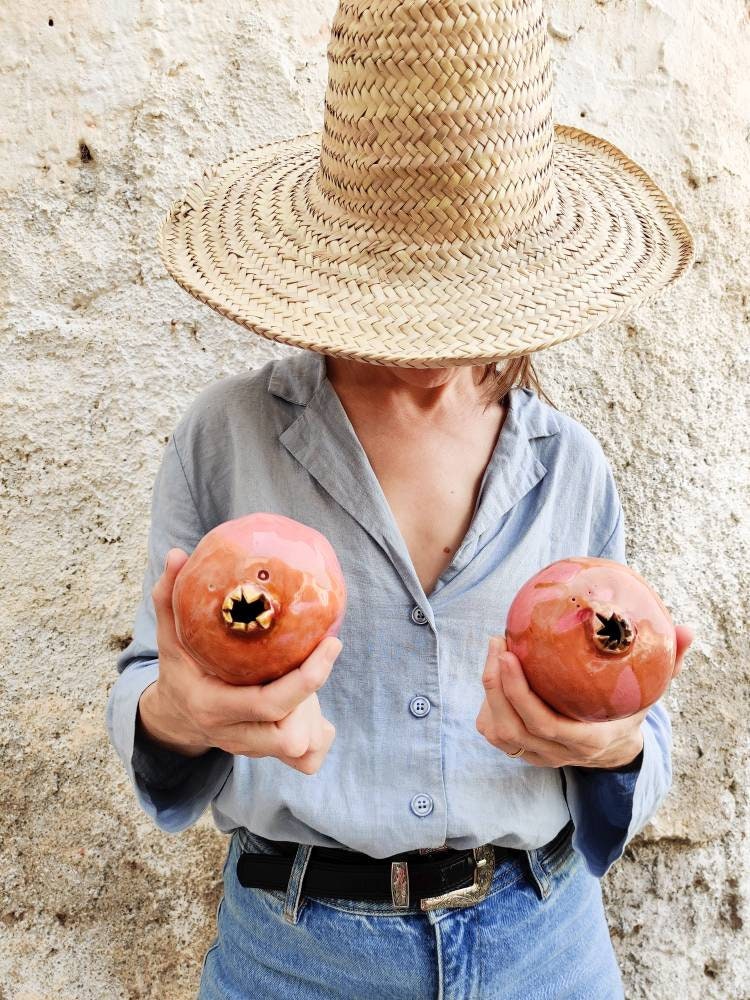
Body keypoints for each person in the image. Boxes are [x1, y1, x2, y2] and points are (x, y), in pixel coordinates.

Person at [106, 2, 695, 997]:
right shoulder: (230, 435)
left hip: (543, 949)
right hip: (298, 956)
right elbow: (148, 704)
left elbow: (634, 721)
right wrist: (177, 711)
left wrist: (618, 744)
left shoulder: (569, 464)